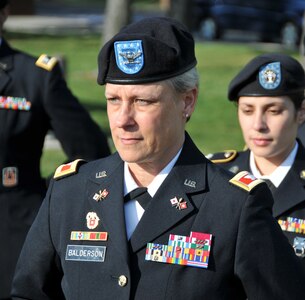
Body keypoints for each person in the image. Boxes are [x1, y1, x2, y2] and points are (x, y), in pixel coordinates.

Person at [11, 17, 305, 300]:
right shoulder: (69, 193)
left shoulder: (234, 207)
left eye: (143, 101)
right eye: (114, 100)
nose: (122, 119)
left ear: (187, 101)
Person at [0, 1, 111, 298]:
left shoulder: (34, 77)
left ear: (4, 14)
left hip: (11, 233)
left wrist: (49, 196)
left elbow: (91, 150)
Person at [208, 53, 305, 261]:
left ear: (301, 112)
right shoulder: (215, 176)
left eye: (274, 111)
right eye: (247, 110)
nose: (258, 125)